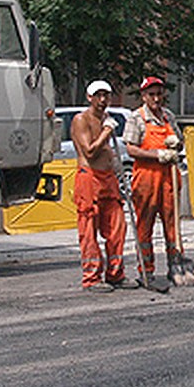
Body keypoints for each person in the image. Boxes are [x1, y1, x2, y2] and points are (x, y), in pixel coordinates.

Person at [124, 75, 194, 290]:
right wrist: (157, 154)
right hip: (146, 179)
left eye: (159, 94)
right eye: (151, 94)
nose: (156, 98)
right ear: (144, 96)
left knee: (172, 225)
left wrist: (176, 144)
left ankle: (176, 266)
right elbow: (131, 149)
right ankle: (146, 271)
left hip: (169, 179)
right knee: (144, 227)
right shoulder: (136, 119)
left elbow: (179, 144)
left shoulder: (168, 117)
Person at [71, 80, 133, 292]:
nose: (103, 100)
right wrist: (106, 132)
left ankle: (116, 274)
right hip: (89, 179)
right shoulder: (81, 120)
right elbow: (89, 151)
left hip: (108, 179)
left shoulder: (106, 118)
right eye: (98, 95)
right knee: (89, 230)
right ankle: (92, 277)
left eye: (106, 95)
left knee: (117, 227)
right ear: (89, 97)